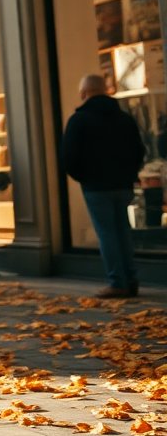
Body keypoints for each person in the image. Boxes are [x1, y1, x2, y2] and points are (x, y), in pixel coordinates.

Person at [62, 74, 145, 298]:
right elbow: (139, 150)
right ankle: (131, 278)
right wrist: (129, 174)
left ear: (84, 93)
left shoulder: (79, 120)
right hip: (123, 184)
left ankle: (117, 281)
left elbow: (69, 157)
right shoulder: (124, 119)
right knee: (123, 231)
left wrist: (84, 177)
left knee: (107, 233)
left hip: (96, 186)